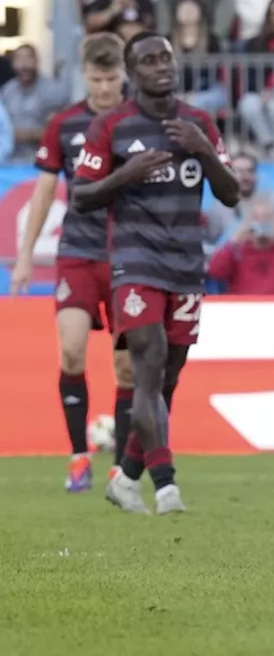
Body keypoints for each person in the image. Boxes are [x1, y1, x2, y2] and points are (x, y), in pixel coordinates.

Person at [73, 32, 239, 515]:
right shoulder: (112, 125)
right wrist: (127, 174)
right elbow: (82, 195)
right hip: (136, 262)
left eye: (166, 57)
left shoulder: (198, 122)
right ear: (132, 71)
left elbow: (231, 195)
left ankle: (125, 477)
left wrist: (204, 150)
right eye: (148, 60)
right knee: (148, 365)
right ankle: (165, 485)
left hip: (186, 264)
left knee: (168, 378)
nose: (161, 66)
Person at [11, 34, 132, 492]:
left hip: (128, 256)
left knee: (127, 367)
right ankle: (79, 456)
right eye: (96, 79)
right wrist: (25, 256)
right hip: (78, 253)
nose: (104, 88)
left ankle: (122, 466)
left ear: (123, 73)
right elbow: (45, 191)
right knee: (72, 349)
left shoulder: (138, 123)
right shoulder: (64, 124)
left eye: (111, 77)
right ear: (83, 75)